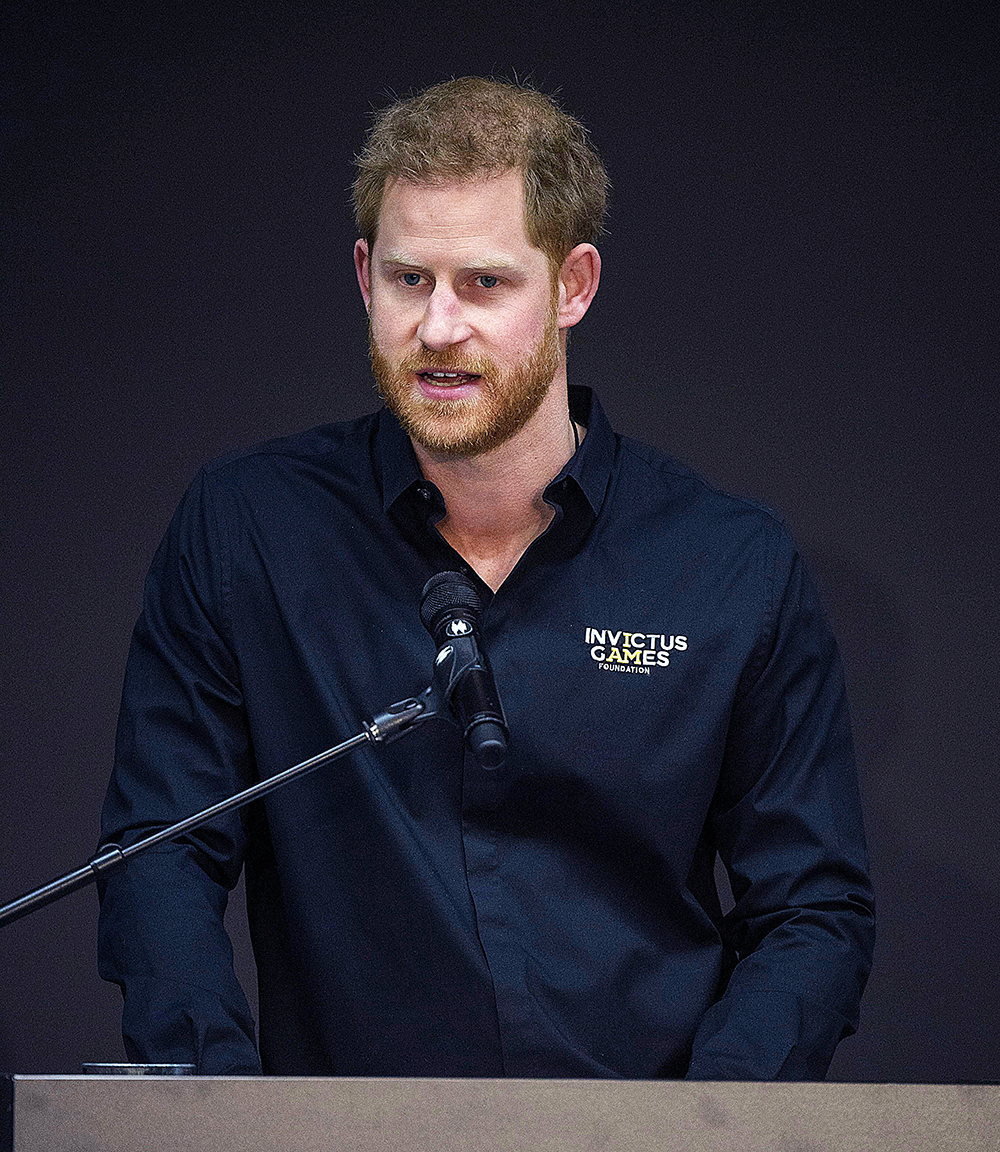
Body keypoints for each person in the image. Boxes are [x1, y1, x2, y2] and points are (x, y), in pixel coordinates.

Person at [97, 77, 874, 1079]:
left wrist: (703, 1147)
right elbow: (162, 848)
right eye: (409, 280)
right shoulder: (248, 528)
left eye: (485, 284)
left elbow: (812, 912)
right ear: (363, 273)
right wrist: (219, 1122)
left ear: (574, 285)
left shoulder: (731, 564)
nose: (438, 327)